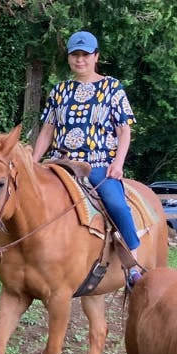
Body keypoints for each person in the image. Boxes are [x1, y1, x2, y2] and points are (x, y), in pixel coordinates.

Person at [31, 29, 145, 286]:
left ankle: (133, 266)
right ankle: (8, 256)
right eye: (75, 55)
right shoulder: (59, 90)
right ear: (69, 58)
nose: (79, 60)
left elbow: (124, 130)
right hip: (59, 163)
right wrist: (33, 162)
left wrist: (118, 163)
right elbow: (47, 131)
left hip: (97, 164)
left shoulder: (112, 88)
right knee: (21, 195)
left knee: (116, 205)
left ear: (96, 56)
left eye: (85, 54)